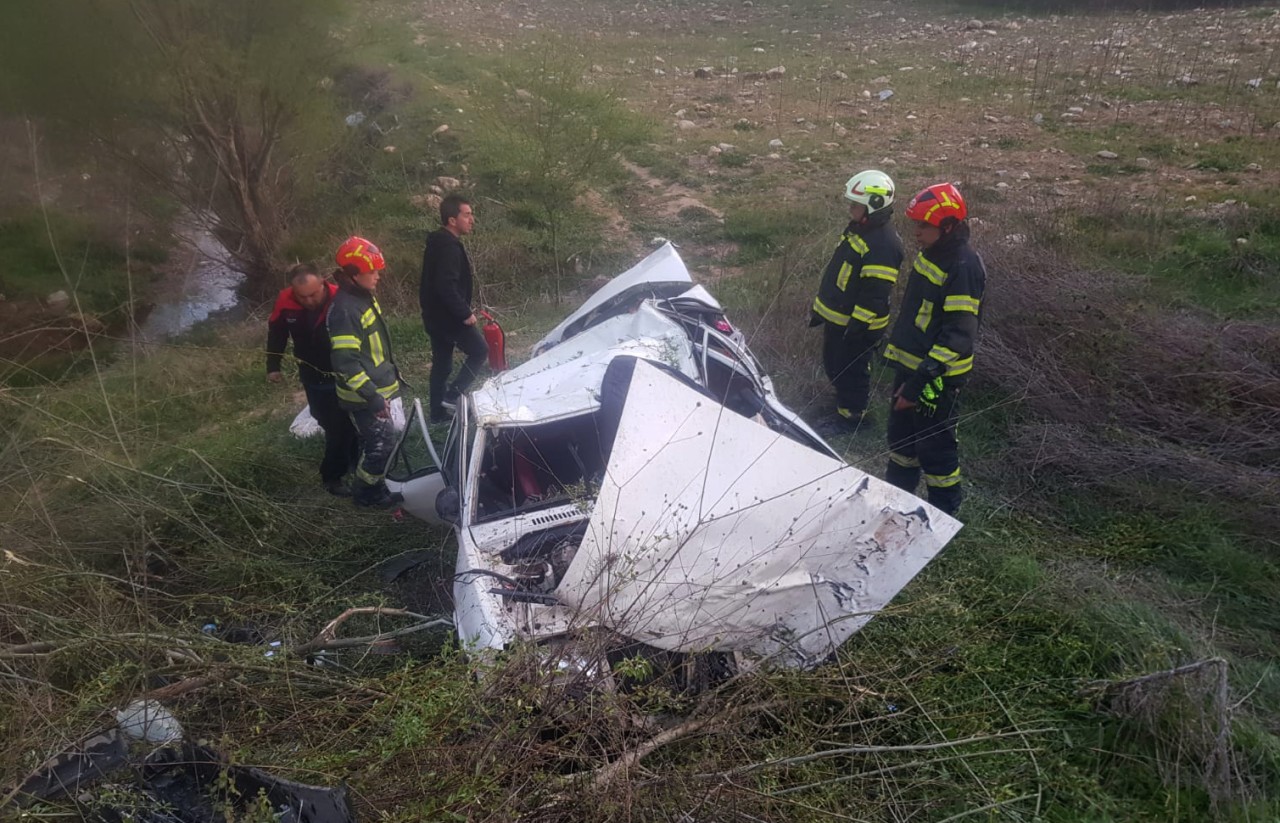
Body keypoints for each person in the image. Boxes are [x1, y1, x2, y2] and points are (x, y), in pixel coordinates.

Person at [882, 183, 986, 517]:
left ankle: (943, 515)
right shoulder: (935, 254)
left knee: (935, 449)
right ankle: (897, 502)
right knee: (901, 443)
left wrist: (918, 385)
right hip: (912, 368)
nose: (916, 232)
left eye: (923, 226)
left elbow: (958, 335)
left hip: (937, 379)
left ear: (949, 226)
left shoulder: (962, 267)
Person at [810, 170, 904, 429]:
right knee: (835, 364)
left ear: (874, 205)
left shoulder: (883, 244)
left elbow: (874, 294)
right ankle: (841, 404)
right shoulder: (861, 230)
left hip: (858, 325)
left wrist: (858, 327)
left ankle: (853, 419)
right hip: (841, 318)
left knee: (852, 371)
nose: (851, 208)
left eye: (856, 204)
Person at [266, 264, 358, 497]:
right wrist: (273, 367)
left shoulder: (340, 299)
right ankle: (351, 462)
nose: (308, 300)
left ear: (323, 283)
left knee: (344, 426)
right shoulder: (285, 301)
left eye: (313, 294)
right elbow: (276, 333)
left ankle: (333, 476)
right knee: (329, 422)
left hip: (342, 371)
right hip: (311, 374)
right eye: (302, 296)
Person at [327, 236, 403, 508]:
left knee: (380, 443)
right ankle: (366, 493)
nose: (378, 276)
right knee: (380, 447)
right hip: (363, 397)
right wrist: (372, 396)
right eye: (372, 272)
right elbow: (346, 363)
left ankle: (375, 485)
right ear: (352, 275)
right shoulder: (346, 311)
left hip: (375, 389)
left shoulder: (361, 297)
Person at [420, 193, 487, 423]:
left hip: (434, 317)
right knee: (480, 351)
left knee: (442, 364)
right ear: (452, 220)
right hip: (448, 317)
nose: (472, 219)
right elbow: (445, 284)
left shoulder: (438, 242)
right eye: (467, 215)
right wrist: (464, 313)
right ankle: (453, 395)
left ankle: (438, 414)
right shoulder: (448, 247)